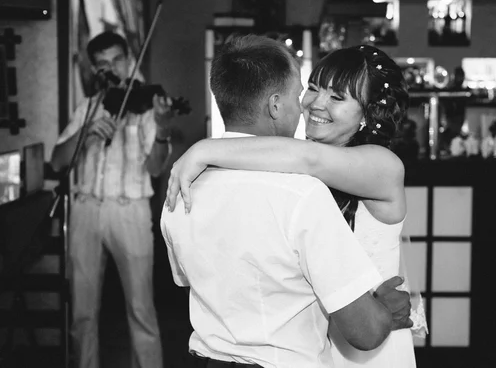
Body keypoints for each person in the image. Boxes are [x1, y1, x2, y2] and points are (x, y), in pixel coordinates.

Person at [165, 43, 428, 367]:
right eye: (314, 88)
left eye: (337, 97)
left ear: (367, 114)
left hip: (368, 347)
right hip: (310, 344)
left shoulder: (382, 165)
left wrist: (205, 150)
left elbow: (310, 159)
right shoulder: (287, 162)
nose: (316, 103)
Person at [51, 31, 170, 368]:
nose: (112, 69)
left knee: (141, 308)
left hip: (128, 211)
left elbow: (157, 167)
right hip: (86, 209)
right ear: (94, 69)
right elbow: (57, 162)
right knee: (82, 311)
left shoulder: (145, 106)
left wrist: (162, 128)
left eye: (117, 60)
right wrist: (83, 134)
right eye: (103, 64)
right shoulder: (87, 108)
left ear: (129, 60)